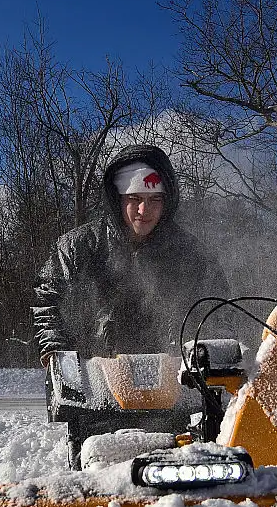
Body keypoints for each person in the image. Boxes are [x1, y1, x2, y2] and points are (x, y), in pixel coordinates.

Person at [32, 144, 230, 366]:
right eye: (134, 198)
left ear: (167, 201)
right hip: (91, 375)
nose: (144, 210)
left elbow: (219, 310)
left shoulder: (192, 253)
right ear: (118, 198)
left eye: (155, 199)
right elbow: (46, 300)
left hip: (174, 376)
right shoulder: (77, 247)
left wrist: (214, 355)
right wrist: (56, 350)